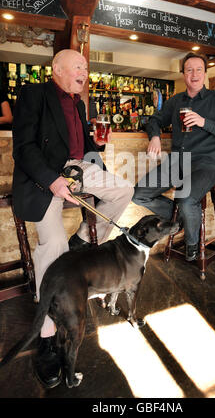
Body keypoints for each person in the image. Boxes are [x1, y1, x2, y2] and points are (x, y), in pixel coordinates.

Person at [12, 49, 134, 388]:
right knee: (52, 248)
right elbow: (23, 147)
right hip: (45, 177)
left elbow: (84, 143)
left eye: (85, 66)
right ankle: (47, 339)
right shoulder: (33, 93)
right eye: (78, 66)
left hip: (78, 169)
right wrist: (53, 180)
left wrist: (96, 152)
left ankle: (80, 241)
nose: (84, 71)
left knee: (124, 191)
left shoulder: (79, 103)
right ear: (57, 69)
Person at [132, 52, 215, 262]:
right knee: (138, 194)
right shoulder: (175, 101)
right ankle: (181, 219)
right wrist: (154, 136)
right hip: (177, 162)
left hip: (205, 163)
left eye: (199, 69)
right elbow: (154, 120)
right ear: (183, 74)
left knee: (186, 198)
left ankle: (192, 243)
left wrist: (203, 122)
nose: (194, 74)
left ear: (205, 73)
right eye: (189, 69)